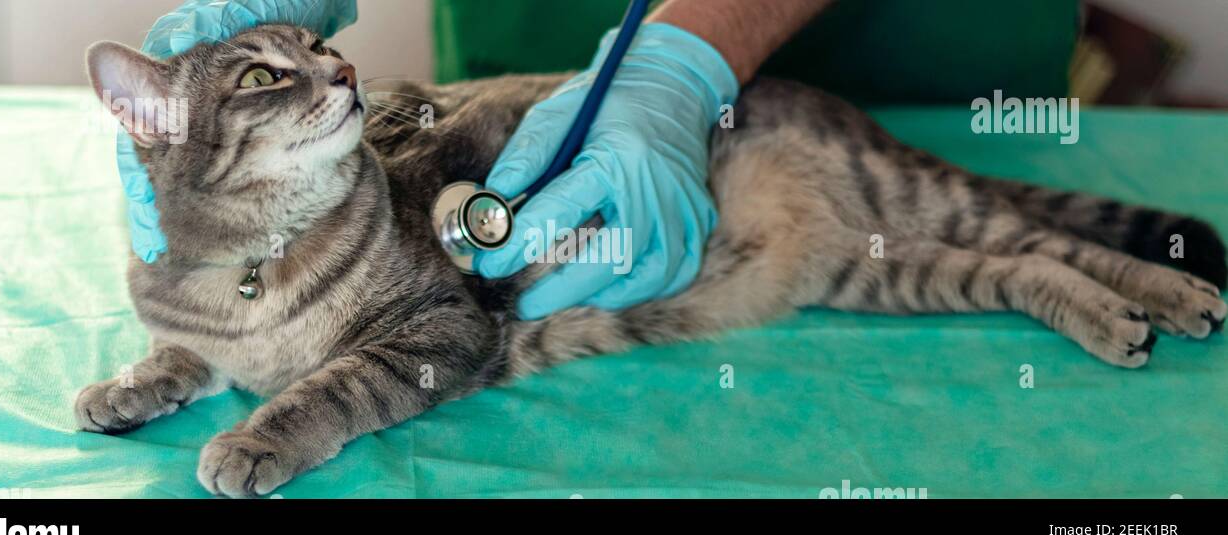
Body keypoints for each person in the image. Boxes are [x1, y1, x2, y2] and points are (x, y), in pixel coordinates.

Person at [118, 0, 1076, 319]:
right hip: (523, 55)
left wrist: (685, 56)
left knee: (916, 192)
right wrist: (253, 29)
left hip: (906, 45)